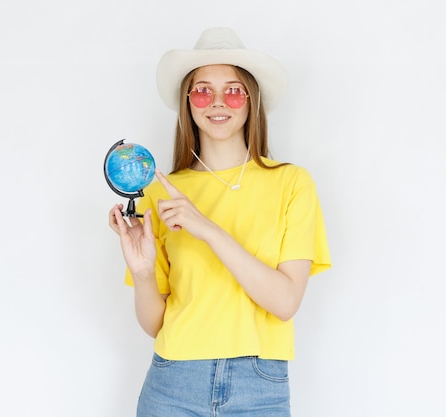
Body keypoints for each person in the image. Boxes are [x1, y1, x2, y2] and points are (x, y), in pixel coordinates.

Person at [108, 27, 331, 417]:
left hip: (258, 387)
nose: (216, 102)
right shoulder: (161, 191)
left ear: (250, 101)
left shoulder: (292, 183)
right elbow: (154, 323)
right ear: (188, 102)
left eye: (232, 90)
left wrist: (206, 228)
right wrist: (142, 273)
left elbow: (284, 301)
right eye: (201, 90)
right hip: (171, 383)